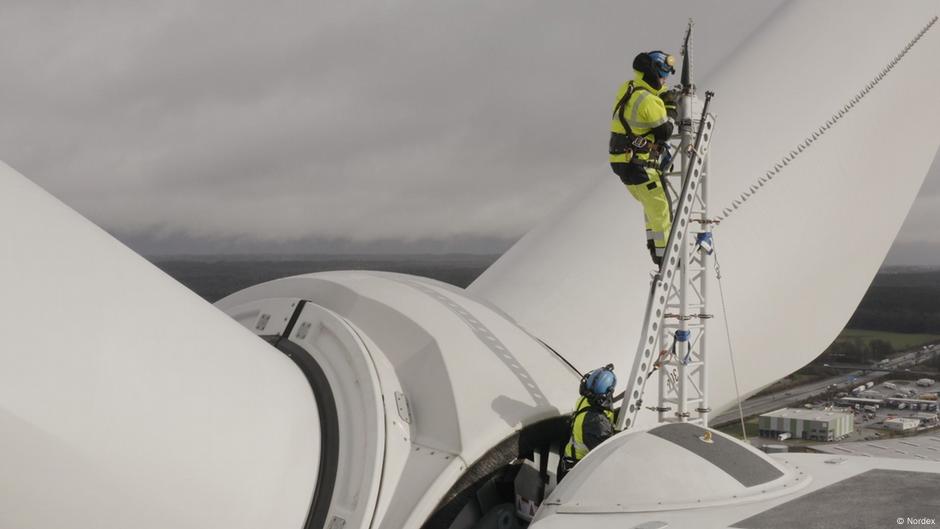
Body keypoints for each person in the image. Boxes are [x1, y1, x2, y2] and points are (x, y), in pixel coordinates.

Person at [609, 51, 679, 267]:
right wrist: (671, 107)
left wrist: (663, 93)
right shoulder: (649, 101)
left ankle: (655, 249)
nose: (665, 80)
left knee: (650, 208)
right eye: (663, 75)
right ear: (652, 73)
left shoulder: (628, 88)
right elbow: (665, 131)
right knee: (661, 210)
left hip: (623, 162)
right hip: (640, 166)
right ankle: (665, 257)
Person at [563, 364, 616, 471]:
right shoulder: (596, 421)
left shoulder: (584, 400)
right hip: (578, 470)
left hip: (569, 461)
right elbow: (606, 452)